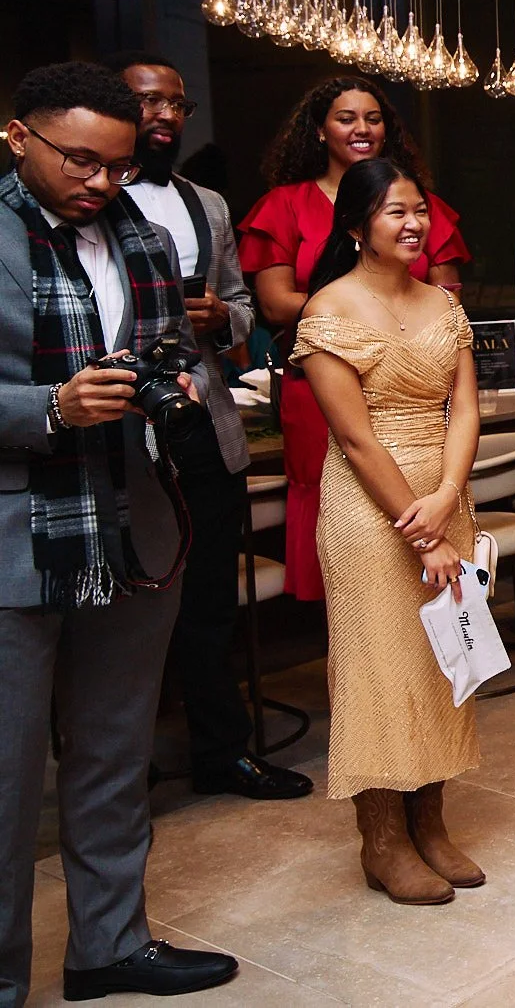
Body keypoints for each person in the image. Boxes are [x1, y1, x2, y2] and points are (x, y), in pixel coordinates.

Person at [0, 62, 239, 1001]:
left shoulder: (139, 234)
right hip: (19, 535)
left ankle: (107, 945)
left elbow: (166, 341)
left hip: (133, 521)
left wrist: (169, 376)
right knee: (11, 782)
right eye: (80, 161)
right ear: (18, 137)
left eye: (117, 163)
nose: (101, 182)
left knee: (111, 753)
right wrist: (50, 407)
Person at [105, 51, 313, 802]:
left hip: (204, 425)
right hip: (118, 432)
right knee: (125, 606)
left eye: (177, 105)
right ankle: (123, 774)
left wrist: (224, 315)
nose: (164, 116)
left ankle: (224, 752)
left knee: (211, 605)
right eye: (148, 101)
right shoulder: (89, 197)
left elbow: (246, 310)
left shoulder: (209, 204)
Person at [291, 158, 486, 905]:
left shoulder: (442, 301)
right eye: (395, 212)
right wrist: (423, 526)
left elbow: (465, 408)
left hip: (443, 493)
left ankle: (429, 820)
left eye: (420, 211)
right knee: (380, 666)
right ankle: (382, 838)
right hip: (373, 509)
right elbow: (358, 439)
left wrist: (448, 498)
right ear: (355, 227)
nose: (414, 224)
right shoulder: (329, 310)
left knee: (445, 657)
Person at [239, 76, 468, 601]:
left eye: (373, 117)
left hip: (417, 377)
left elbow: (446, 290)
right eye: (346, 118)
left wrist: (408, 323)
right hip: (325, 381)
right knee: (351, 525)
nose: (362, 128)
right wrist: (363, 325)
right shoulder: (287, 204)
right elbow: (274, 301)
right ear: (319, 130)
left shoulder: (420, 204)